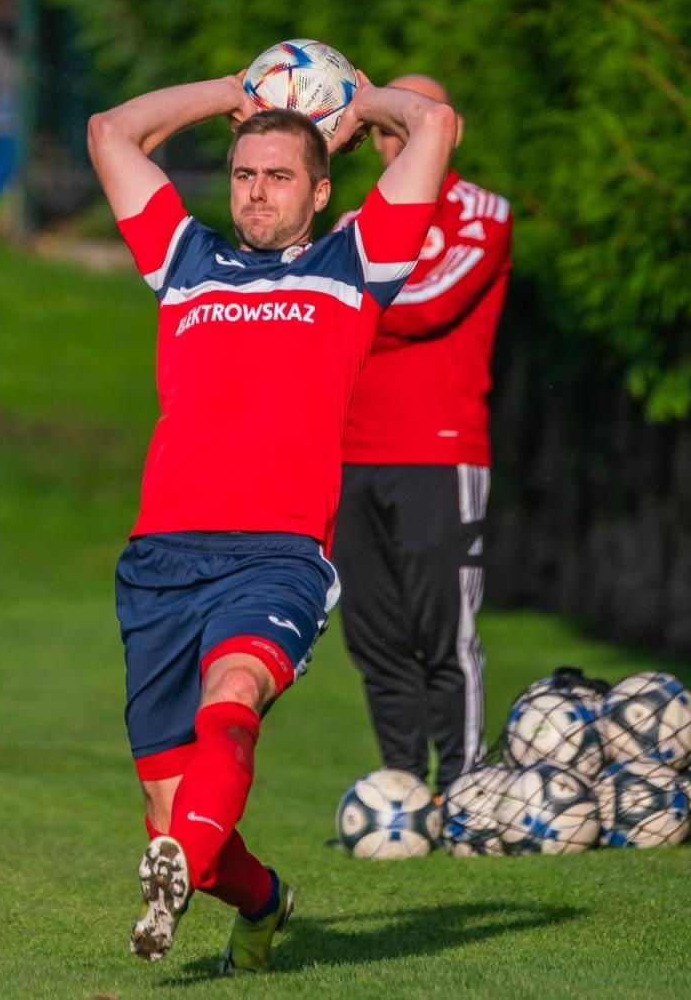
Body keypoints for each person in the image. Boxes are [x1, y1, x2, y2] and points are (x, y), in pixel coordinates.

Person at [86, 73, 457, 967]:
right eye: (245, 172)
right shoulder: (185, 259)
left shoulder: (355, 266)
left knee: (236, 694)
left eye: (280, 175)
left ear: (320, 189)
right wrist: (228, 90)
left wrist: (364, 103)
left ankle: (173, 867)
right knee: (176, 812)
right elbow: (109, 132)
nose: (256, 189)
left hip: (276, 553)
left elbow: (436, 121)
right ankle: (261, 899)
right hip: (161, 559)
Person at [330, 74, 512, 793]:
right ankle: (403, 784)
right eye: (383, 129)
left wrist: (361, 299)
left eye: (411, 124)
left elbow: (433, 302)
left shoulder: (480, 211)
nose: (395, 140)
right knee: (372, 633)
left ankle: (467, 783)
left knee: (446, 631)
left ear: (451, 130)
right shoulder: (349, 225)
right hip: (347, 452)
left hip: (440, 448)